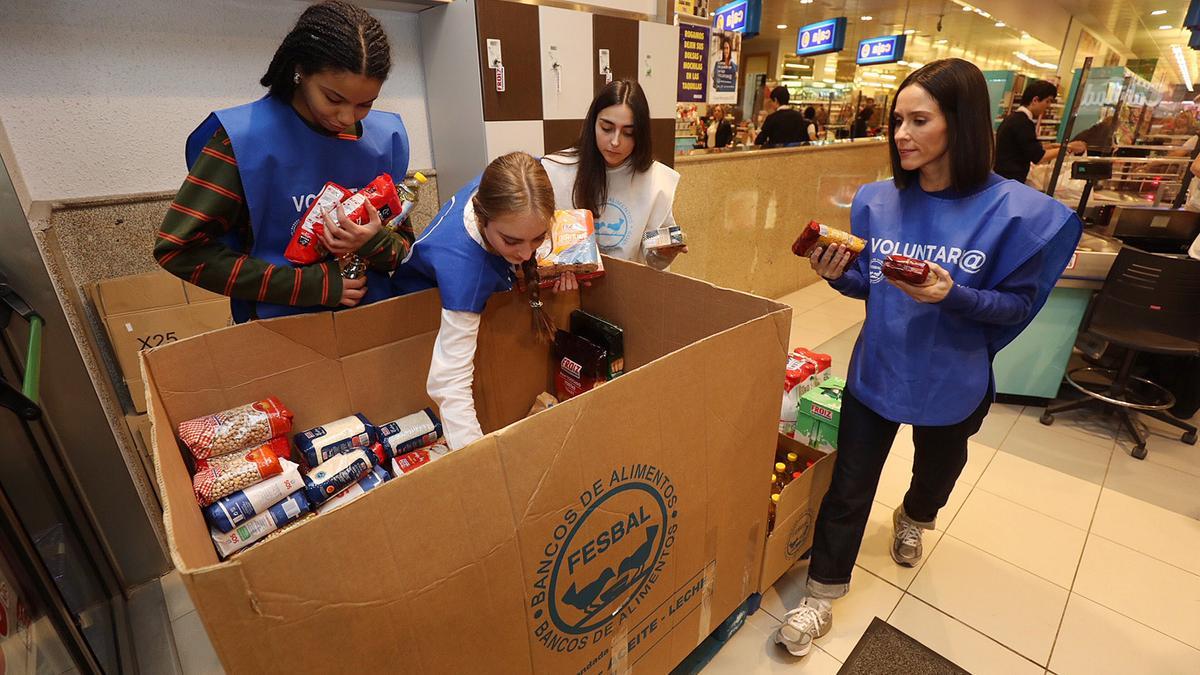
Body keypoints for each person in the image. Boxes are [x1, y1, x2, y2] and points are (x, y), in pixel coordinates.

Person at [774, 58, 1081, 658]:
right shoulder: (877, 201)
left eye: (919, 120)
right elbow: (872, 283)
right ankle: (820, 595)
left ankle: (916, 516)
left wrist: (953, 292)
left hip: (954, 378)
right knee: (849, 487)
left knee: (935, 473)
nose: (901, 135)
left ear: (961, 125)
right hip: (878, 367)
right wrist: (840, 277)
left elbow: (1017, 305)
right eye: (897, 121)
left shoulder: (1013, 212)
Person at [156, 0, 410, 323]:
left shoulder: (386, 140)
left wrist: (376, 243)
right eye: (333, 99)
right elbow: (180, 250)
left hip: (374, 323)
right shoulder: (243, 141)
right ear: (300, 70)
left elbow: (404, 246)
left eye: (365, 104)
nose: (346, 117)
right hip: (280, 330)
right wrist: (309, 285)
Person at [390, 152, 576, 450]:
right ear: (481, 217)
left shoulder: (519, 180)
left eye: (539, 238)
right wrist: (479, 463)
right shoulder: (465, 274)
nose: (527, 254)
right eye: (512, 241)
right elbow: (447, 383)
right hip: (414, 311)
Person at [542, 79, 687, 269]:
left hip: (628, 290)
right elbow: (540, 244)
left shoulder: (656, 181)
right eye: (607, 128)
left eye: (628, 133)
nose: (615, 141)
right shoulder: (557, 170)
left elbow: (654, 261)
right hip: (570, 289)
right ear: (593, 123)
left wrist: (665, 252)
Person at [994, 80, 1084, 183]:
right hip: (1010, 180)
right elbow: (1039, 157)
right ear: (1035, 100)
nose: (1048, 106)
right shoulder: (1022, 123)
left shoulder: (1015, 119)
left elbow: (1023, 148)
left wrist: (1052, 147)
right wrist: (1067, 148)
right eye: (1048, 101)